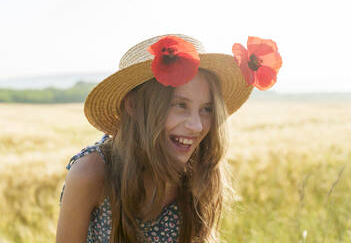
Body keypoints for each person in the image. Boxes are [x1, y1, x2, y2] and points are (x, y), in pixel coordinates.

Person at [56, 34, 281, 243]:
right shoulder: (93, 172)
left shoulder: (200, 171)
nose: (197, 126)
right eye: (180, 105)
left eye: (207, 109)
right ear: (134, 105)